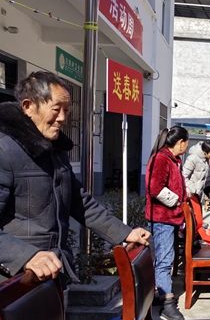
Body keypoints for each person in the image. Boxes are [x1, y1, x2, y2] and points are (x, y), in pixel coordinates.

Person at [0, 71, 150, 282]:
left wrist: (125, 233)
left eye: (67, 110)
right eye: (56, 109)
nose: (62, 118)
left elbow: (80, 202)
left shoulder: (55, 150)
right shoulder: (5, 150)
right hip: (17, 282)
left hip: (54, 274)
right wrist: (26, 256)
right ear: (28, 106)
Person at [145, 126, 189, 320]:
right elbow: (155, 188)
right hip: (163, 218)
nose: (186, 147)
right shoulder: (162, 158)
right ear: (180, 143)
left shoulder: (171, 159)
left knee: (164, 258)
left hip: (169, 217)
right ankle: (167, 303)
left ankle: (161, 293)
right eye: (186, 143)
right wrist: (177, 202)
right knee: (165, 260)